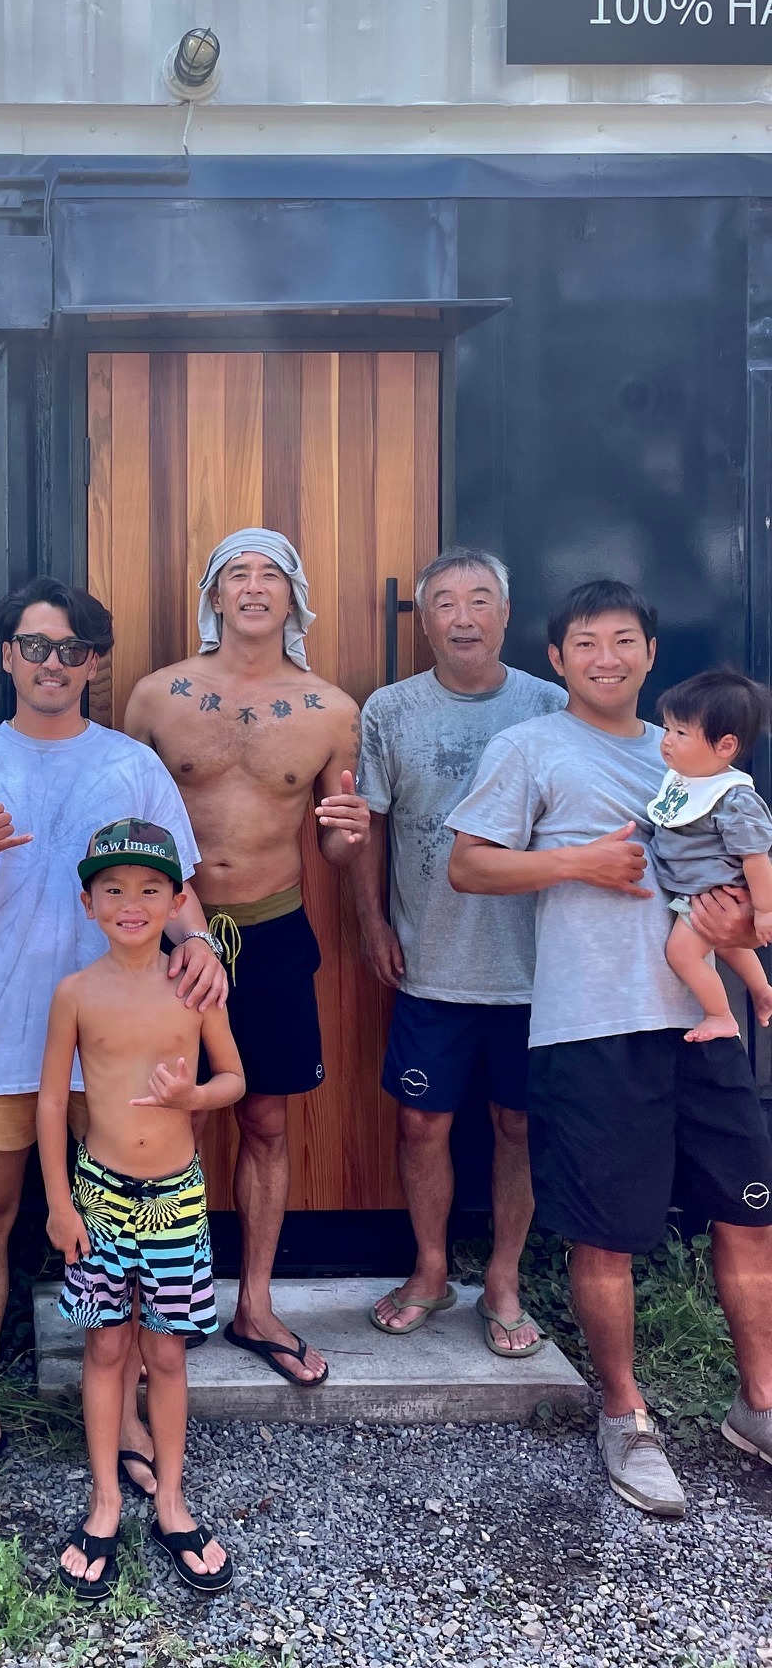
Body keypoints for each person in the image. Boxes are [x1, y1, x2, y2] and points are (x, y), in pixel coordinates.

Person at [448, 580, 772, 1516]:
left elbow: (746, 872)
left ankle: (758, 1403)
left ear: (650, 653)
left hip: (705, 1022)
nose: (605, 657)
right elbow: (468, 863)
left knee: (748, 1215)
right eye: (585, 642)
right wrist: (577, 861)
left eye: (624, 640)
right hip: (592, 1022)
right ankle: (625, 1416)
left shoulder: (697, 754)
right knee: (607, 1231)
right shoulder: (529, 747)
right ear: (556, 660)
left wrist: (744, 919)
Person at [0, 577, 229, 1505]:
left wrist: (202, 946)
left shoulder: (133, 766)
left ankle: (122, 1413)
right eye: (35, 646)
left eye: (72, 649)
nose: (52, 663)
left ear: (93, 664)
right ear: (7, 656)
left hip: (124, 1051)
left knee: (121, 1228)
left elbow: (177, 892)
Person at [124, 529, 369, 1388]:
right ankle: (165, 1306)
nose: (255, 586)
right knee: (170, 1122)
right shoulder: (157, 697)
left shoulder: (331, 710)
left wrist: (348, 839)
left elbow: (334, 844)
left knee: (265, 1120)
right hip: (167, 935)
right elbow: (127, 821)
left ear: (294, 596)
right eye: (238, 573)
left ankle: (255, 1305)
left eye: (272, 574)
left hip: (271, 933)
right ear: (215, 595)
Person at [351, 550, 565, 1354]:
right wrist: (373, 923)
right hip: (429, 960)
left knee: (518, 1125)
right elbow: (369, 825)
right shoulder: (389, 710)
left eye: (480, 600)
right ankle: (431, 1270)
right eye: (444, 603)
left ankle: (503, 1280)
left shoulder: (551, 705)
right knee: (420, 1123)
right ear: (425, 621)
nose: (463, 618)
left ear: (506, 615)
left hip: (535, 968)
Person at [39, 820, 243, 1602]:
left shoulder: (194, 987)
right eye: (114, 890)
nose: (132, 903)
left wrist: (194, 1097)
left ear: (177, 900)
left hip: (177, 1200)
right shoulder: (76, 993)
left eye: (151, 889)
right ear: (87, 904)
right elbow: (51, 1102)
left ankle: (171, 1502)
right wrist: (58, 1203)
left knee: (167, 1355)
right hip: (99, 1197)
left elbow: (235, 1078)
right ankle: (104, 1502)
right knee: (104, 1349)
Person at [648, 668, 772, 1043]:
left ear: (725, 746)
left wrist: (765, 910)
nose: (667, 741)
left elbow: (755, 858)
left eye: (681, 733)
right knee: (726, 944)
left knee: (682, 955)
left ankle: (720, 1016)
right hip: (696, 890)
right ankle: (763, 990)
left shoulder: (734, 799)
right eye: (667, 729)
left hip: (711, 893)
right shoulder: (685, 777)